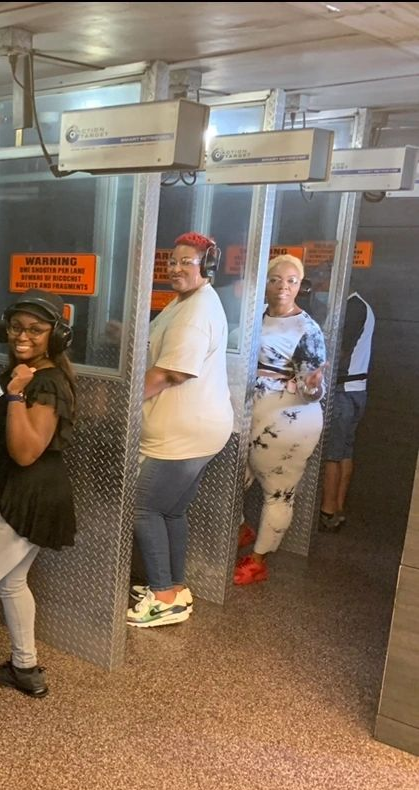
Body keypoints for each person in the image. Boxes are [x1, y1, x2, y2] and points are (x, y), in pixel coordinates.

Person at [0, 291, 77, 716]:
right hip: (29, 494)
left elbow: (27, 451)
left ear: (55, 336)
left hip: (24, 499)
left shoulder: (42, 382)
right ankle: (24, 669)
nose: (22, 335)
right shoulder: (26, 373)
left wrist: (12, 397)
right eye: (16, 327)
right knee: (11, 583)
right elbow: (12, 431)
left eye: (35, 329)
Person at [127, 232, 233, 627]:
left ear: (206, 267)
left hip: (183, 434)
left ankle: (164, 597)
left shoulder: (195, 310)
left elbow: (173, 371)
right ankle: (174, 586)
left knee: (144, 506)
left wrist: (127, 401)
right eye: (171, 261)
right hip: (200, 430)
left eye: (186, 262)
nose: (175, 268)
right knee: (171, 511)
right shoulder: (187, 302)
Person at [234, 255, 327, 584]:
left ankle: (258, 560)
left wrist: (310, 386)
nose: (282, 287)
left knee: (278, 490)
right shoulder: (255, 315)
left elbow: (315, 390)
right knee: (235, 479)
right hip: (252, 413)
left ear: (300, 285)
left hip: (289, 420)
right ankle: (243, 530)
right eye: (275, 279)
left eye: (291, 280)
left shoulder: (308, 330)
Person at [320, 290, 375, 531]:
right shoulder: (360, 305)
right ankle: (338, 506)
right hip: (356, 389)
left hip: (344, 390)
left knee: (332, 453)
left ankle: (327, 512)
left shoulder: (353, 307)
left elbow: (340, 352)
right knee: (344, 451)